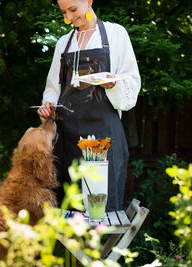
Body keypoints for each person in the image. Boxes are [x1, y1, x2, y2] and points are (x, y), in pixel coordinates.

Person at [37, 0, 141, 212]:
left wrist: (113, 85)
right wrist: (48, 106)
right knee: (70, 213)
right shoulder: (63, 43)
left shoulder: (116, 35)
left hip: (103, 143)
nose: (68, 18)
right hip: (67, 142)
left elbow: (131, 86)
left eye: (73, 10)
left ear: (89, 1)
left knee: (102, 212)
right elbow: (52, 89)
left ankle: (102, 247)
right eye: (64, 12)